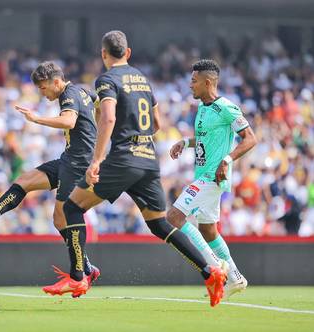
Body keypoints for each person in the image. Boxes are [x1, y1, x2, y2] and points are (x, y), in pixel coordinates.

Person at [42, 30, 227, 306]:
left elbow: (108, 118)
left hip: (124, 158)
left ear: (104, 54)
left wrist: (96, 160)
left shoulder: (106, 80)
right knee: (158, 224)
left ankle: (78, 275)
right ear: (127, 53)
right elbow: (157, 124)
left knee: (72, 206)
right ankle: (209, 270)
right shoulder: (142, 79)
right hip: (148, 160)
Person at [0, 61, 101, 290]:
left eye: (43, 88)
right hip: (68, 159)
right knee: (24, 181)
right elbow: (100, 106)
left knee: (62, 218)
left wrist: (36, 119)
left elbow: (69, 121)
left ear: (56, 82)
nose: (42, 94)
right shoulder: (83, 90)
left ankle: (80, 273)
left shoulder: (69, 94)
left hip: (77, 165)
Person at [168, 59, 257, 299]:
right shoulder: (203, 109)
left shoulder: (226, 107)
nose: (190, 85)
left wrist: (227, 160)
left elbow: (250, 138)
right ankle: (236, 278)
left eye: (194, 81)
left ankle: (216, 266)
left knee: (174, 216)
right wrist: (185, 142)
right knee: (208, 230)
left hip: (212, 177)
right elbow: (205, 140)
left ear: (208, 82)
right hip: (203, 175)